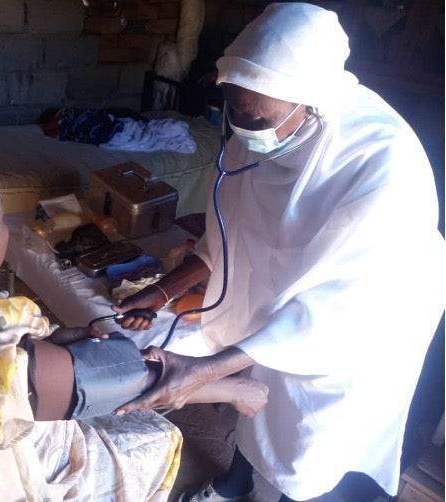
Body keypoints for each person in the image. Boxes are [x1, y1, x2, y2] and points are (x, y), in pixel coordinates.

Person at [112, 3, 445, 501]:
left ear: (309, 103)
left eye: (254, 115)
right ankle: (233, 483)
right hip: (282, 313)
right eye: (235, 107)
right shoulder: (260, 135)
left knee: (313, 446)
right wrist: (161, 292)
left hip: (357, 333)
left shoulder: (382, 165)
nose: (243, 126)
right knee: (259, 407)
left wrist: (207, 370)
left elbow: (339, 311)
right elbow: (229, 238)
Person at [0, 138, 267, 501]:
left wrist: (56, 339)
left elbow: (20, 365)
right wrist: (232, 387)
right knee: (155, 437)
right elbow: (123, 379)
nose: (4, 231)